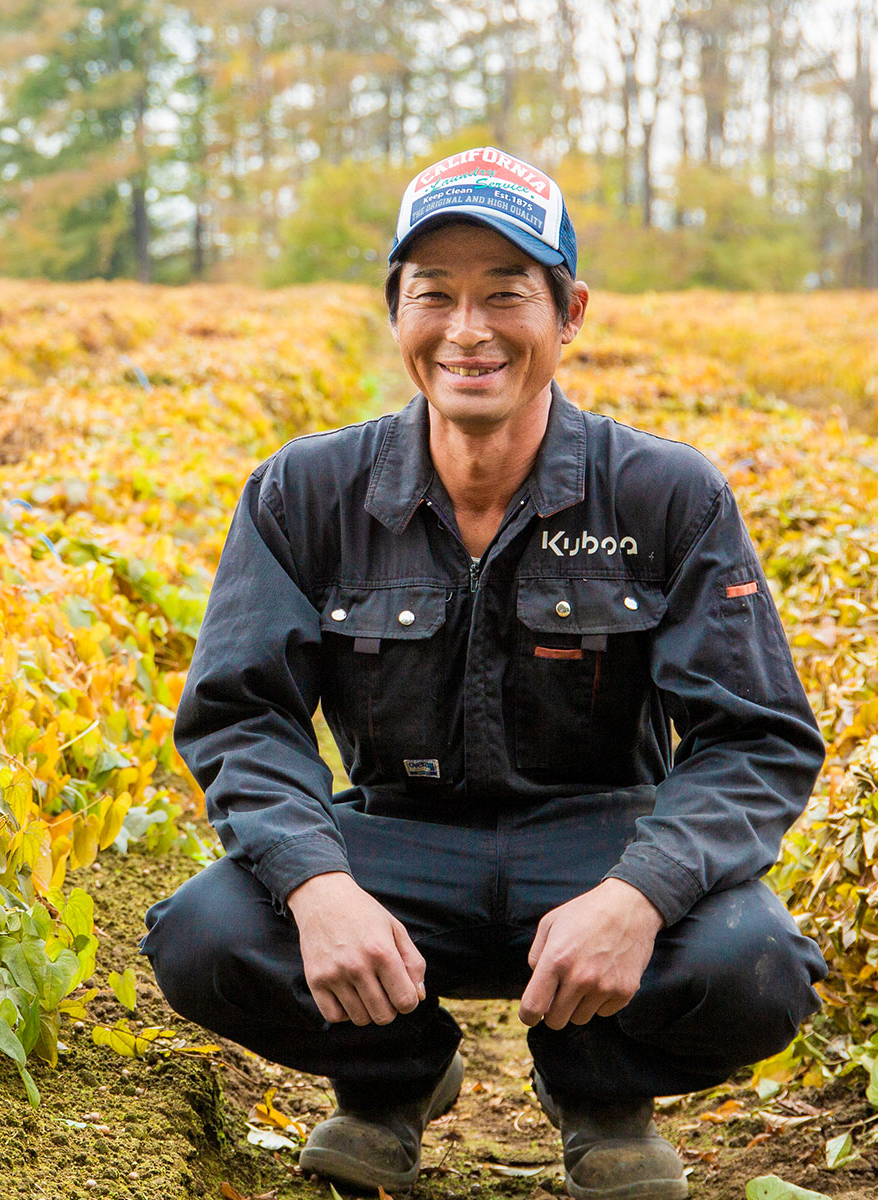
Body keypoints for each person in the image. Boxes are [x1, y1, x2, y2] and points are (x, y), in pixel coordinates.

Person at [139, 147, 827, 1200]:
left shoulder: (666, 497)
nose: (469, 330)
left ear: (569, 313)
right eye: (436, 296)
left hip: (600, 841)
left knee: (757, 963)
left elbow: (757, 738)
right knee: (204, 937)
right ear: (395, 312)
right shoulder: (302, 492)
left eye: (506, 294)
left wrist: (639, 895)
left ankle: (599, 1090)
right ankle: (394, 1078)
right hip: (392, 841)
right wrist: (318, 884)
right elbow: (241, 719)